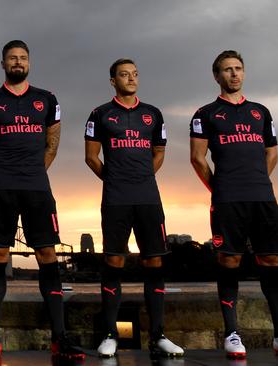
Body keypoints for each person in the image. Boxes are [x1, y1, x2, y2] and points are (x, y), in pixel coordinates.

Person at [0, 40, 84, 362]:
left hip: (37, 188)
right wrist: (5, 174)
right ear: (2, 63)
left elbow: (52, 144)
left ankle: (60, 338)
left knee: (47, 253)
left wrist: (32, 172)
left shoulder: (46, 100)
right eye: (11, 58)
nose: (17, 62)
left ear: (29, 62)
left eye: (22, 58)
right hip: (1, 189)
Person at [84, 58, 184, 358]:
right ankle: (110, 334)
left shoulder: (153, 114)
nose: (131, 79)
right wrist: (116, 179)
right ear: (113, 81)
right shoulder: (100, 114)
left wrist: (141, 178)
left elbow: (159, 153)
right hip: (115, 198)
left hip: (148, 198)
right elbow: (91, 158)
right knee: (113, 262)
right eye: (124, 75)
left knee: (153, 262)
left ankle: (158, 335)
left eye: (135, 74)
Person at [190, 50, 278, 359]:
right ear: (217, 76)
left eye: (238, 68)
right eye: (227, 70)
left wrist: (256, 178)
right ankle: (232, 334)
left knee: (271, 261)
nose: (234, 74)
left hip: (264, 198)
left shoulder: (261, 112)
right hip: (227, 200)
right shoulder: (205, 114)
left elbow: (272, 151)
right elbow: (198, 158)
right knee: (229, 262)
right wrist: (221, 187)